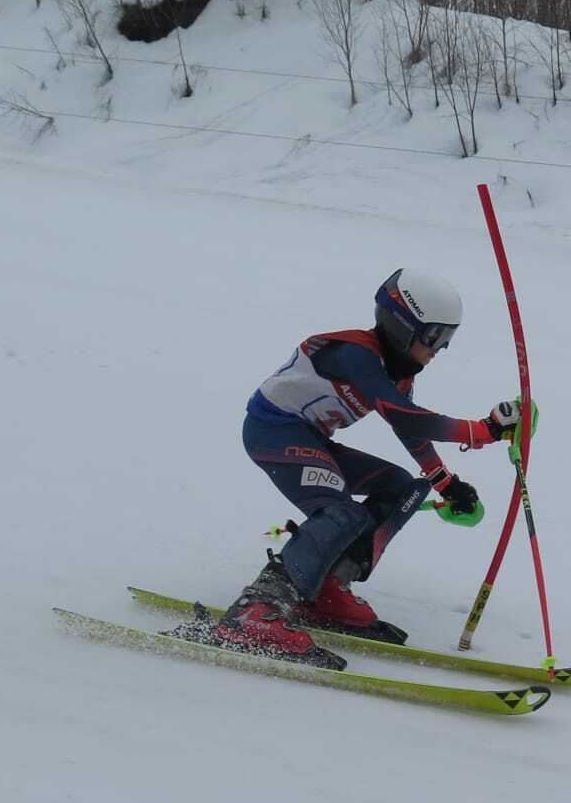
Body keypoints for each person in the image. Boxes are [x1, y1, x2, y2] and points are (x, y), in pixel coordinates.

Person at [187, 268, 522, 669]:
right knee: (341, 512)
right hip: (272, 431)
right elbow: (409, 417)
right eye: (434, 336)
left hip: (310, 438)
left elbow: (406, 426)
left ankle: (326, 586)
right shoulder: (355, 355)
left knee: (400, 487)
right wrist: (484, 430)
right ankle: (255, 612)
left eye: (446, 339)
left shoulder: (394, 372)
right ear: (402, 326)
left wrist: (443, 482)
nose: (440, 349)